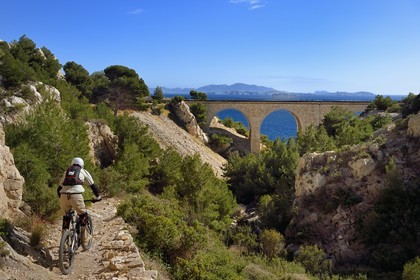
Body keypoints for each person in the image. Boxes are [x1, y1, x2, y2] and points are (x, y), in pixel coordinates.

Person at [57, 157, 101, 231]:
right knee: (82, 214)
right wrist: (98, 196)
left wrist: (62, 198)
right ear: (82, 165)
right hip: (76, 195)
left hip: (63, 195)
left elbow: (58, 189)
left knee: (66, 217)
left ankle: (64, 237)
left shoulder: (66, 172)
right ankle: (84, 239)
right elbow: (92, 185)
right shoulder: (83, 171)